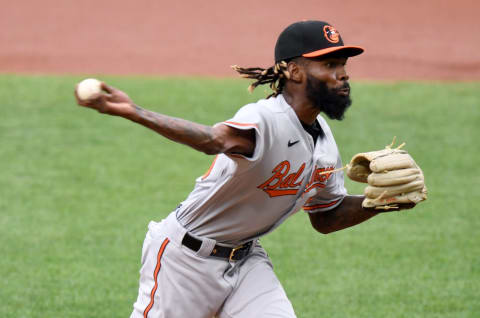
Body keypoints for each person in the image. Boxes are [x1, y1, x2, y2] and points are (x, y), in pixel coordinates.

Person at [75, 20, 413, 318]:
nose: (343, 74)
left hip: (246, 261)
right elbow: (212, 140)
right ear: (294, 71)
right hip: (185, 261)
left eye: (343, 64)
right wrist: (134, 111)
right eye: (329, 64)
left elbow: (326, 216)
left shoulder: (323, 139)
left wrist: (379, 202)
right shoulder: (265, 118)